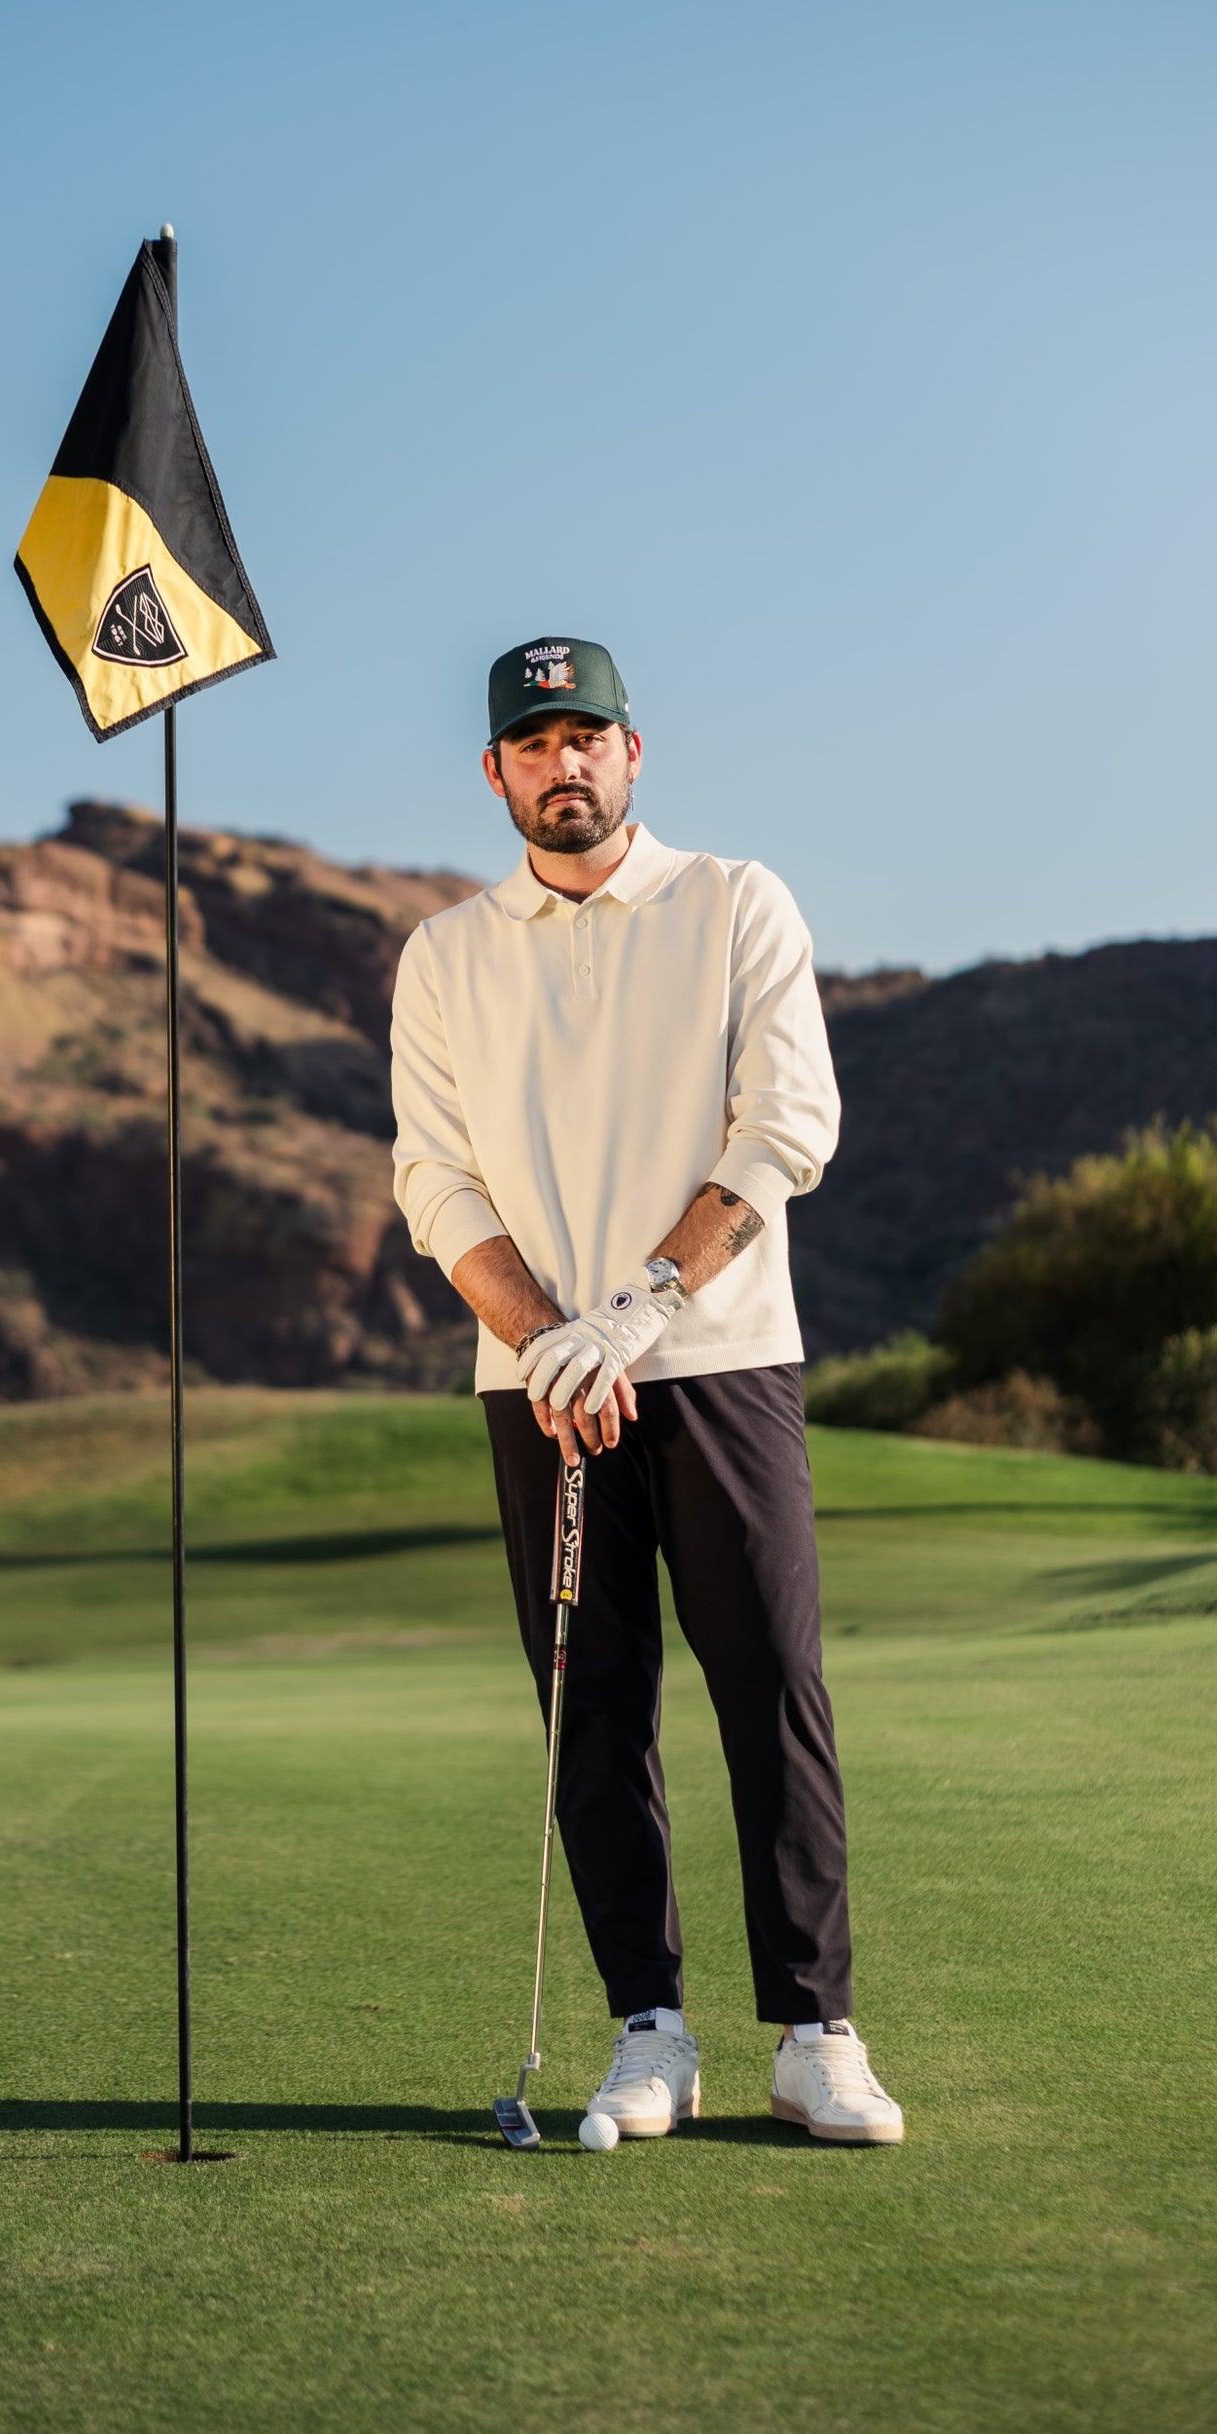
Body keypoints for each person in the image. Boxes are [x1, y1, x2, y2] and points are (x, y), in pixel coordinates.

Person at [389, 634, 903, 2146]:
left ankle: (817, 2032)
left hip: (720, 1360)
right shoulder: (444, 954)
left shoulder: (735, 901)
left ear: (633, 754)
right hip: (535, 1383)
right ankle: (648, 2032)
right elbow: (433, 1180)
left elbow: (785, 1128)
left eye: (587, 736)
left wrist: (635, 1312)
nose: (564, 762)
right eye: (533, 742)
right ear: (493, 771)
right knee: (592, 1704)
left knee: (770, 1686)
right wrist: (551, 1336)